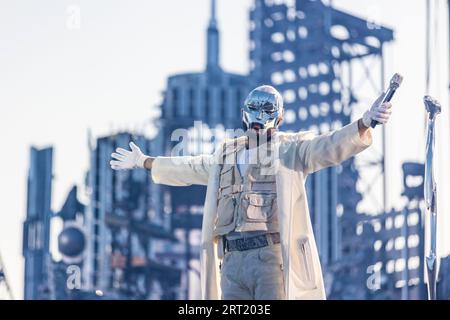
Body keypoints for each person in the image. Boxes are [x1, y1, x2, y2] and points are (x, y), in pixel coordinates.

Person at [110, 85, 392, 300]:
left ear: (279, 118)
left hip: (270, 257)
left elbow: (328, 146)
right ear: (245, 113)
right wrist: (145, 161)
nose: (259, 117)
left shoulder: (291, 150)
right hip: (231, 260)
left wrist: (365, 123)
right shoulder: (226, 154)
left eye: (267, 111)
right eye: (254, 110)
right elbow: (191, 166)